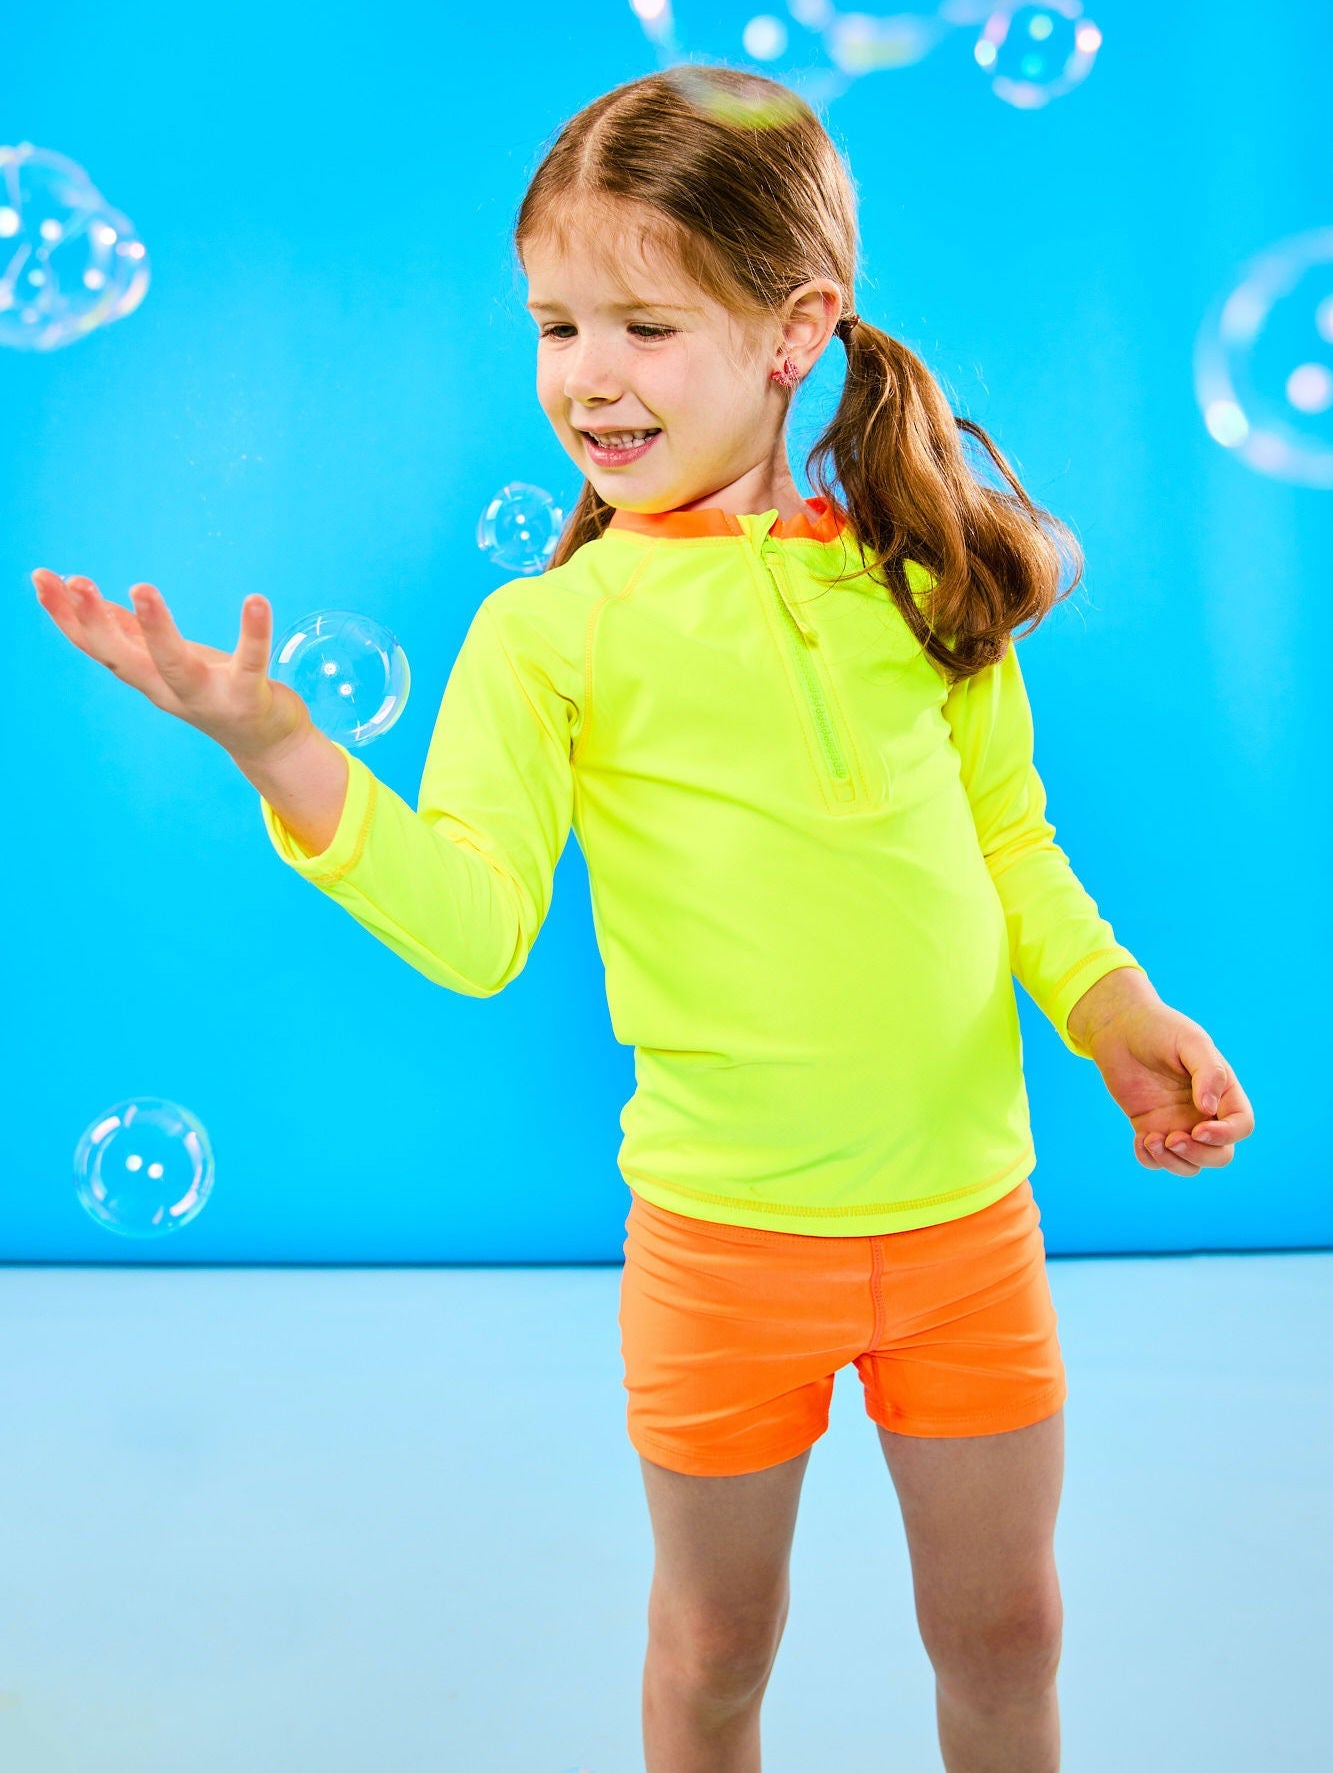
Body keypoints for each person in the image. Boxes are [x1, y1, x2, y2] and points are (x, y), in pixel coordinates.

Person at [32, 63, 1254, 1773]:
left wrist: (1118, 1016)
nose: (587, 378)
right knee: (711, 1653)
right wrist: (281, 749)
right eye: (554, 326)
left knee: (1008, 1632)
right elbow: (467, 922)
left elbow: (1015, 852)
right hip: (722, 1249)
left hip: (970, 1230)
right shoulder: (549, 640)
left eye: (642, 325)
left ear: (792, 329)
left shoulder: (914, 582)